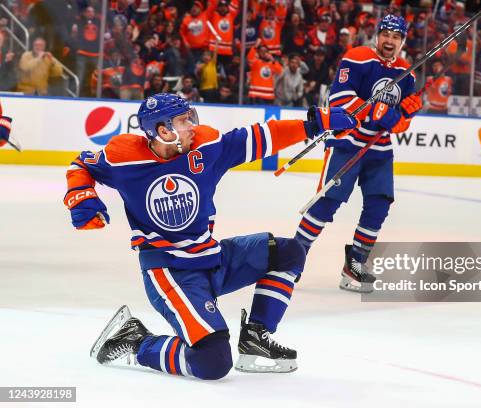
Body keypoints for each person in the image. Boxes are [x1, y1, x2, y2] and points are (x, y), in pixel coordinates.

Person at [63, 93, 358, 379]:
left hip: (211, 257)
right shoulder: (123, 157)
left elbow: (258, 137)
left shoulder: (206, 145)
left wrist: (313, 125)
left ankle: (256, 336)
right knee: (212, 362)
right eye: (183, 121)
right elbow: (82, 164)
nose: (191, 125)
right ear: (163, 130)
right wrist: (81, 194)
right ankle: (138, 341)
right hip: (170, 272)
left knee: (290, 252)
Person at [292, 15, 423, 293]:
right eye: (386, 34)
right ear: (377, 35)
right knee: (327, 203)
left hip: (379, 150)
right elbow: (338, 99)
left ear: (402, 41)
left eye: (396, 37)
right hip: (348, 142)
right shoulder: (357, 57)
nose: (390, 41)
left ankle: (354, 266)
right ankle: (291, 262)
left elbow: (398, 125)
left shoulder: (407, 74)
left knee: (379, 204)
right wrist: (376, 112)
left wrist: (403, 114)